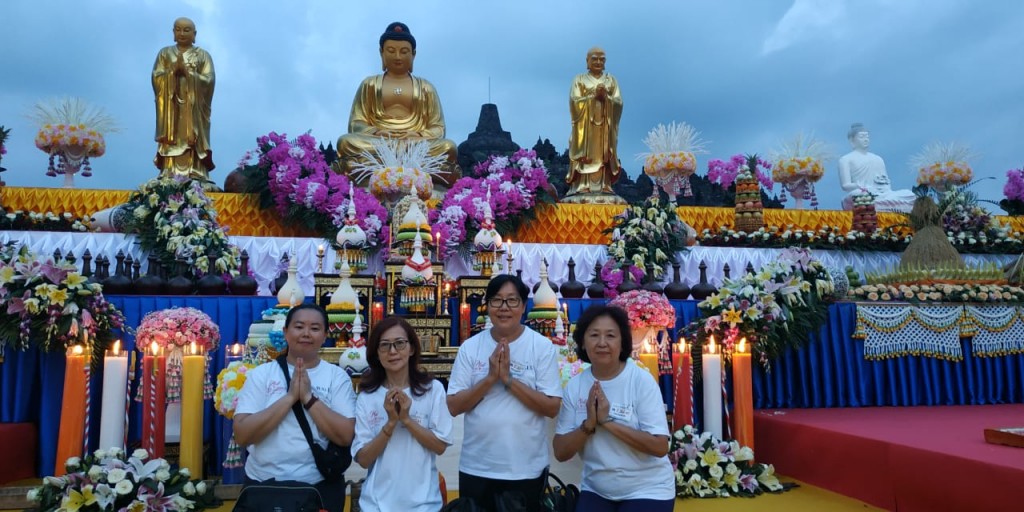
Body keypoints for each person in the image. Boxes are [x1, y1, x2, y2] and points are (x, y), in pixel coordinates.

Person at [447, 274, 562, 511]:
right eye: (497, 301)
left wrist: (508, 380)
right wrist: (490, 379)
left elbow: (552, 407)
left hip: (525, 468)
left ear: (523, 306)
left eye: (512, 300)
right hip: (477, 466)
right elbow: (454, 406)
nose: (504, 308)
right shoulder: (470, 348)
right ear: (487, 306)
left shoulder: (541, 347)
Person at [234, 304, 356, 512]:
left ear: (325, 334)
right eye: (299, 327)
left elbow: (345, 435)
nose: (306, 334)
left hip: (317, 484)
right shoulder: (262, 374)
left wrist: (308, 398)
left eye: (315, 328)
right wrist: (290, 398)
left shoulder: (336, 377)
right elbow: (243, 435)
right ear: (285, 332)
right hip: (263, 484)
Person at [553, 304, 675, 511]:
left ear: (622, 343)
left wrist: (607, 422)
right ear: (582, 342)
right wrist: (589, 424)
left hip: (648, 489)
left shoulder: (640, 381)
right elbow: (561, 452)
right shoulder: (575, 386)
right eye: (594, 335)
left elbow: (660, 446)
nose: (602, 343)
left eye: (610, 336)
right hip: (597, 489)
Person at [336, 22, 459, 189]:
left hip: (415, 145)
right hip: (379, 143)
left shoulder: (426, 87)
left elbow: (438, 128)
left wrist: (416, 135)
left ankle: (381, 164)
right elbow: (356, 124)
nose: (398, 57)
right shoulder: (369, 84)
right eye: (391, 51)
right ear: (381, 53)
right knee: (345, 142)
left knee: (448, 147)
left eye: (404, 51)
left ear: (414, 54)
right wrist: (378, 132)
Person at [353, 316, 453, 512]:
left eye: (399, 343)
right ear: (377, 354)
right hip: (376, 505)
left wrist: (406, 420)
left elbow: (440, 446)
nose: (392, 352)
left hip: (424, 505)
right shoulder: (368, 397)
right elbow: (363, 460)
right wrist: (390, 424)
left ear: (412, 348)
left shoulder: (432, 390)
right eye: (385, 345)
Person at [152, 17, 216, 186]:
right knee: (172, 135)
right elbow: (156, 77)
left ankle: (196, 171)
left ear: (194, 34)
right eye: (178, 29)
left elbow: (209, 81)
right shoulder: (165, 53)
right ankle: (169, 170)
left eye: (186, 30)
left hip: (194, 110)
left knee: (192, 136)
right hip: (171, 109)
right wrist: (172, 72)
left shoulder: (202, 55)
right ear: (173, 32)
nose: (181, 33)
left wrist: (189, 74)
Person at [565, 47, 625, 204]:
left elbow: (619, 103)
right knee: (586, 153)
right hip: (586, 129)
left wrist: (607, 98)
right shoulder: (579, 79)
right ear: (587, 61)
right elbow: (574, 102)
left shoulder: (611, 81)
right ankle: (583, 185)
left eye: (601, 59)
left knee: (604, 152)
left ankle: (605, 185)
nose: (598, 62)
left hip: (605, 127)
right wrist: (593, 97)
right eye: (594, 59)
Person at [838, 123, 915, 212]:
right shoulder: (846, 159)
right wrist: (862, 186)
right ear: (852, 140)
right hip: (862, 194)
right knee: (858, 195)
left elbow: (885, 182)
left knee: (909, 194)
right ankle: (883, 205)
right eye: (862, 137)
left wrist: (884, 189)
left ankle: (883, 205)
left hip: (882, 195)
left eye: (867, 136)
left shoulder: (878, 159)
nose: (866, 139)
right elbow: (845, 186)